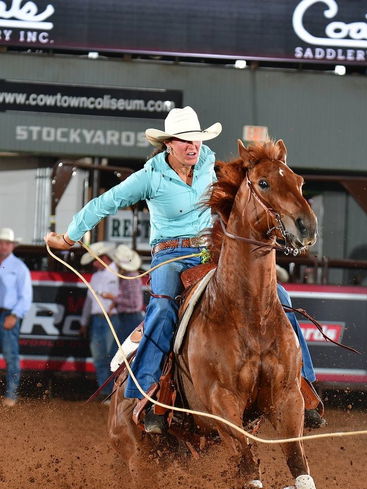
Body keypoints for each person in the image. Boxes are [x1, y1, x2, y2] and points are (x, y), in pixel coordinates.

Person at [45, 105, 324, 434]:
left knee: (279, 295)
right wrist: (69, 236)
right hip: (169, 255)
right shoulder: (150, 177)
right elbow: (106, 202)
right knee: (162, 308)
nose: (193, 146)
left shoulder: (209, 162)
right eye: (184, 141)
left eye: (196, 140)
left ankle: (302, 385)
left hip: (212, 252)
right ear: (168, 144)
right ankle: (148, 393)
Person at [79, 241, 119, 389]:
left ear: (104, 257)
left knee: (112, 356)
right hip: (98, 319)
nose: (94, 264)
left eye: (95, 260)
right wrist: (84, 322)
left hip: (113, 319)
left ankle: (112, 391)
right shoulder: (96, 278)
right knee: (99, 356)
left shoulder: (118, 273)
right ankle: (105, 391)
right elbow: (89, 302)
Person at [0, 227, 32, 406]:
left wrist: (15, 315)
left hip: (8, 314)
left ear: (12, 246)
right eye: (1, 243)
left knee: (11, 356)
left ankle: (11, 395)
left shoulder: (19, 267)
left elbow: (26, 296)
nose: (3, 246)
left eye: (7, 243)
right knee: (11, 356)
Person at [111, 244, 145, 345]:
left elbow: (134, 303)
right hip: (128, 318)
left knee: (119, 351)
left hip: (131, 319)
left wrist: (115, 299)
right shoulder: (128, 276)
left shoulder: (131, 277)